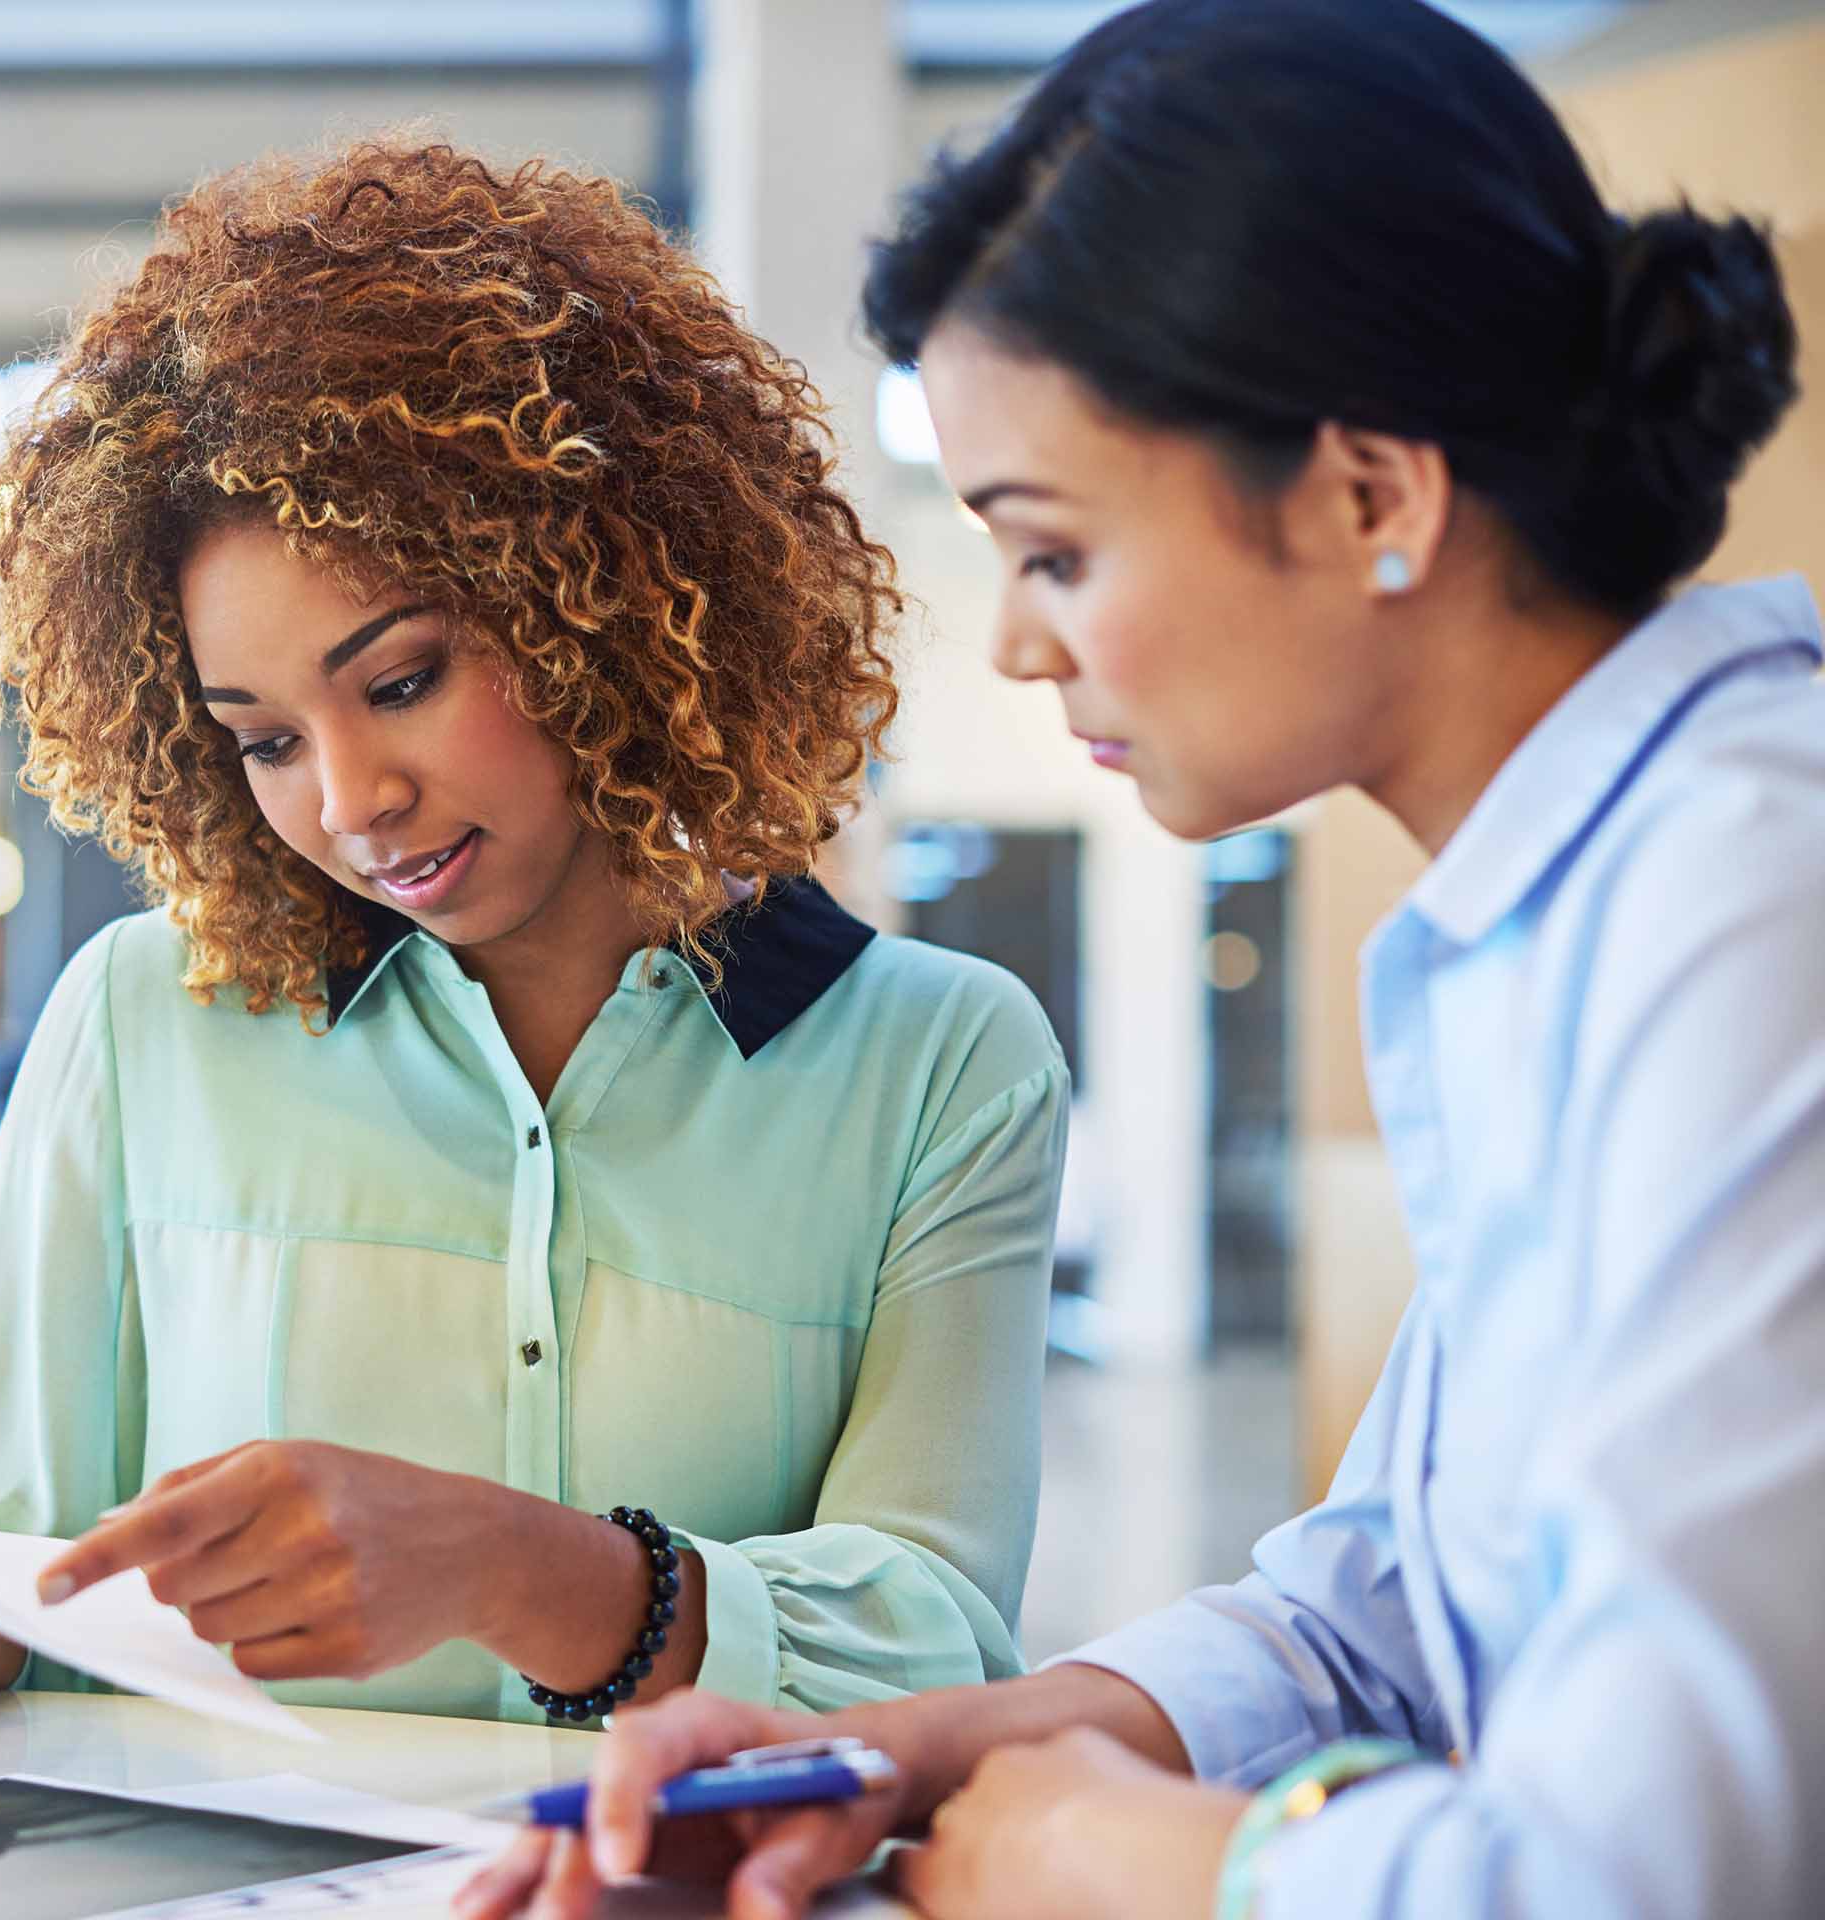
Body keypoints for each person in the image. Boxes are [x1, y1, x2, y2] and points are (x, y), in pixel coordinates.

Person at [460, 0, 1817, 1913]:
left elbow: (1662, 1872)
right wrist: (928, 1752)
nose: (1018, 644)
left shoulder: (1753, 899)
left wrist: (1146, 1861)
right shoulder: (1555, 910)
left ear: (1370, 494)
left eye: (1057, 551)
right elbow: (1380, 1616)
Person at [0, 137, 1071, 1724]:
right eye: (265, 740)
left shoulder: (938, 1064)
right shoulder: (148, 1019)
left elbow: (941, 1643)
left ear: (602, 600)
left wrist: (521, 1568)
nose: (352, 801)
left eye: (403, 681)